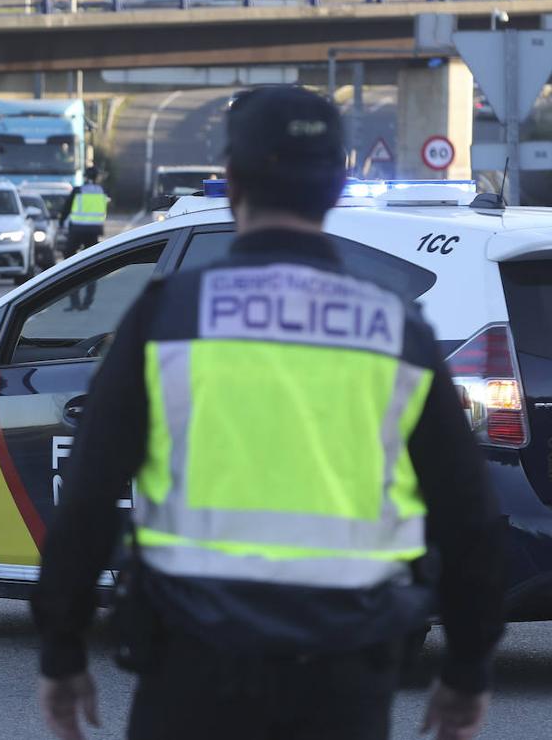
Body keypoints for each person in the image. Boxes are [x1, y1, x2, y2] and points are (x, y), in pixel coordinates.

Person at [32, 87, 505, 740]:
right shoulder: (395, 330)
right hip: (342, 682)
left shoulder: (168, 317)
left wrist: (62, 652)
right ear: (336, 188)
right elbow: (468, 516)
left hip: (191, 677)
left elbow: (89, 498)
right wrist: (467, 670)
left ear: (231, 183)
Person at [60, 167, 107, 311]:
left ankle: (74, 301)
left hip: (77, 230)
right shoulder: (101, 191)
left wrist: (61, 223)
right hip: (94, 231)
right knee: (92, 265)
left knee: (69, 263)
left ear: (85, 177)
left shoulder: (78, 190)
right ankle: (87, 302)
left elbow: (66, 209)